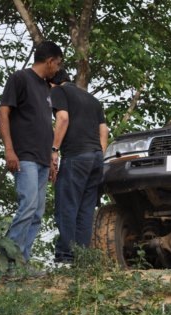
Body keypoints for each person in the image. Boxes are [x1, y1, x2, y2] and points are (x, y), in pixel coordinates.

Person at [0, 41, 63, 271]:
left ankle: (22, 263)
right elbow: (3, 112)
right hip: (23, 155)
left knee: (37, 213)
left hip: (42, 159)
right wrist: (9, 149)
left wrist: (51, 157)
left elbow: (45, 125)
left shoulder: (46, 89)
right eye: (58, 64)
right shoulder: (20, 78)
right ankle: (8, 265)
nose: (57, 69)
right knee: (27, 206)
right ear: (49, 61)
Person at [49, 69, 108, 265]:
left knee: (67, 206)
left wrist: (54, 149)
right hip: (96, 158)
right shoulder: (92, 99)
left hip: (76, 156)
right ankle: (82, 259)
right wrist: (100, 155)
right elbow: (104, 131)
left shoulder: (58, 92)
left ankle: (66, 256)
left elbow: (63, 118)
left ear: (52, 83)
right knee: (85, 209)